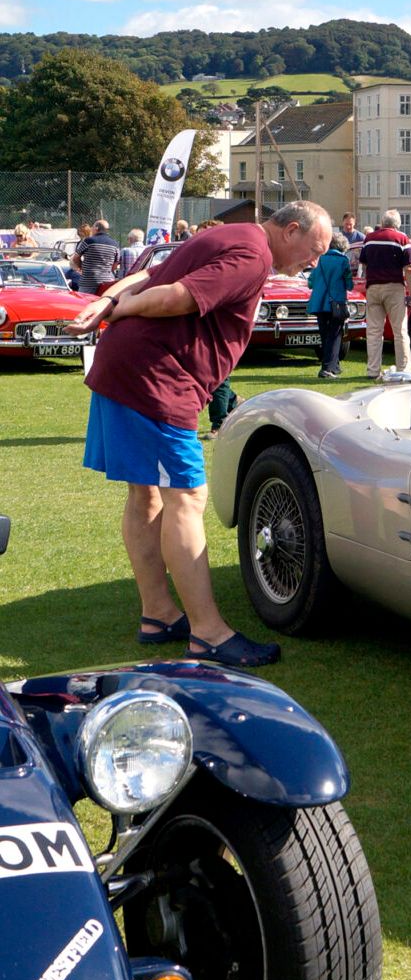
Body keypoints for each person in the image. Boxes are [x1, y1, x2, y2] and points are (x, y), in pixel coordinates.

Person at [65, 199, 334, 668]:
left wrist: (109, 302)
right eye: (313, 251)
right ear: (291, 230)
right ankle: (208, 633)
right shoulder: (254, 255)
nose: (312, 262)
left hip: (127, 369)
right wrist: (119, 309)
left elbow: (150, 275)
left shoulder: (229, 235)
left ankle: (160, 615)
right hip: (156, 378)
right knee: (186, 497)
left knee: (146, 494)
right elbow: (175, 296)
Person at [361, 209, 411, 379]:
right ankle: (403, 369)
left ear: (383, 223)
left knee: (374, 331)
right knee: (400, 331)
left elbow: (364, 263)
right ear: (397, 224)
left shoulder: (369, 239)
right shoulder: (402, 239)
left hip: (373, 287)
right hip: (394, 286)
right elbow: (409, 269)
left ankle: (373, 370)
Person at [308, 230, 354, 378]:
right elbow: (349, 285)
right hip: (336, 303)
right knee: (335, 335)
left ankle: (333, 366)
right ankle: (327, 368)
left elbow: (311, 282)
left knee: (325, 335)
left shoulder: (320, 259)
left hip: (320, 303)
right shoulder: (343, 260)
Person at [71, 219, 119, 294]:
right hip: (108, 282)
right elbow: (115, 266)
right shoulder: (115, 244)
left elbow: (75, 258)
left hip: (88, 282)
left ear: (96, 228)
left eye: (92, 227)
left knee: (85, 303)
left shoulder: (88, 241)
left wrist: (81, 267)